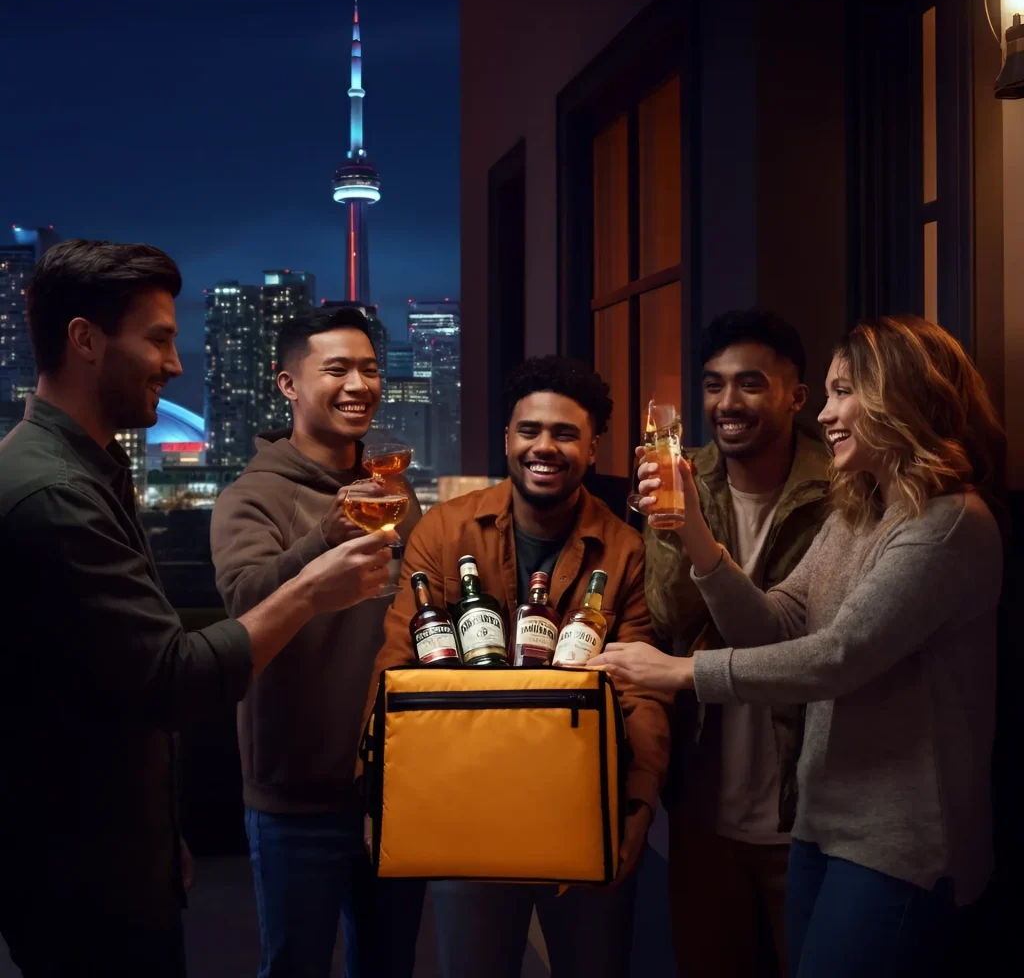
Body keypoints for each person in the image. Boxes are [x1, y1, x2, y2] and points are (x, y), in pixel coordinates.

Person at [0, 240, 392, 978]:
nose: (176, 365)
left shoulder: (87, 471)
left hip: (114, 854)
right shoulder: (53, 495)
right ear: (85, 339)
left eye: (370, 368)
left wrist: (156, 831)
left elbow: (113, 684)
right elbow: (172, 675)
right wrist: (312, 584)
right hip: (80, 876)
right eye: (158, 339)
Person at [592, 316, 1006, 978]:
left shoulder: (950, 522)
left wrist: (680, 672)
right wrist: (694, 528)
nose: (827, 413)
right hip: (823, 824)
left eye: (844, 392)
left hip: (900, 843)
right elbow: (779, 621)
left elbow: (836, 657)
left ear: (900, 396)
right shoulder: (860, 510)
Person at [364, 355, 672, 978]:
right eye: (529, 430)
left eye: (565, 434)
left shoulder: (627, 549)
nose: (545, 447)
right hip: (466, 799)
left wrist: (637, 805)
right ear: (507, 438)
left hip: (585, 800)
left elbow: (641, 691)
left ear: (591, 448)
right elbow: (397, 662)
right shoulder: (446, 530)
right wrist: (379, 792)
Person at [210, 306, 423, 978]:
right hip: (295, 796)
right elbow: (245, 609)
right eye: (337, 368)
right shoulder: (250, 496)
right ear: (287, 385)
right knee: (295, 966)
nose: (359, 383)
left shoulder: (397, 494)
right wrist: (321, 539)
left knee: (390, 965)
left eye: (369, 369)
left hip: (394, 788)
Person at [642, 309, 830, 978]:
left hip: (810, 810)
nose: (727, 403)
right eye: (714, 385)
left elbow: (817, 640)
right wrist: (677, 525)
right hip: (704, 809)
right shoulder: (675, 476)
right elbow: (667, 615)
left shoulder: (840, 487)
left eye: (750, 384)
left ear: (796, 395)